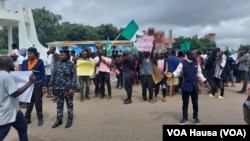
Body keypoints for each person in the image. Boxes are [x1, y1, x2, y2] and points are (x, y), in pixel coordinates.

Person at [0, 56, 36, 141]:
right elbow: (15, 93)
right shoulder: (6, 76)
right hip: (6, 112)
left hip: (14, 110)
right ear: (7, 64)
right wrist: (30, 82)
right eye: (12, 62)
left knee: (23, 126)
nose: (14, 64)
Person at [170, 50, 206, 125]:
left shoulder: (196, 63)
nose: (195, 56)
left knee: (195, 103)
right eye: (193, 54)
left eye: (195, 54)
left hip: (194, 86)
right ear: (188, 55)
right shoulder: (182, 63)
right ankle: (185, 118)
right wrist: (172, 75)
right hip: (186, 86)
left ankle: (195, 117)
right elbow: (177, 72)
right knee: (185, 103)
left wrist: (205, 82)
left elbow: (199, 74)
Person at [49, 49, 77, 128]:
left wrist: (72, 88)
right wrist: (51, 84)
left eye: (62, 55)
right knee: (59, 104)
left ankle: (69, 120)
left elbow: (74, 77)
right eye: (60, 55)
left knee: (69, 104)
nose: (61, 56)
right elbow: (53, 75)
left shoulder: (71, 64)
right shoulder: (57, 64)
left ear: (67, 56)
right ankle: (59, 120)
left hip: (68, 88)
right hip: (58, 88)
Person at [21, 47, 46, 126]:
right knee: (29, 101)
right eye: (28, 53)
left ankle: (40, 118)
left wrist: (44, 86)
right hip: (28, 85)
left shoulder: (39, 62)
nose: (29, 55)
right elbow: (22, 74)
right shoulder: (24, 62)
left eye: (31, 53)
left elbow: (43, 74)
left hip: (38, 84)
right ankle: (27, 118)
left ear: (35, 55)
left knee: (38, 102)